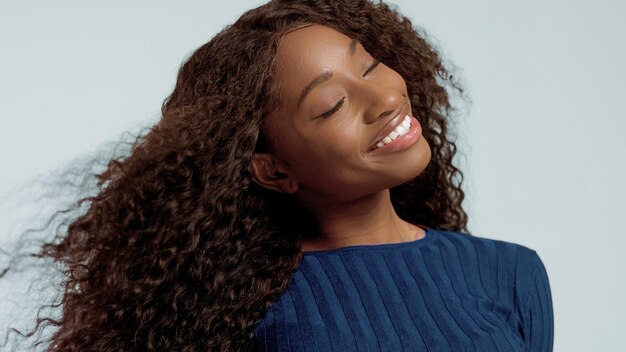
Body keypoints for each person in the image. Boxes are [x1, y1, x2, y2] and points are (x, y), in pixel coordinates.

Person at [1, 0, 554, 351]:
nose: (385, 98)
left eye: (369, 65)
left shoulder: (511, 274)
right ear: (272, 169)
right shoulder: (229, 315)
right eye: (333, 104)